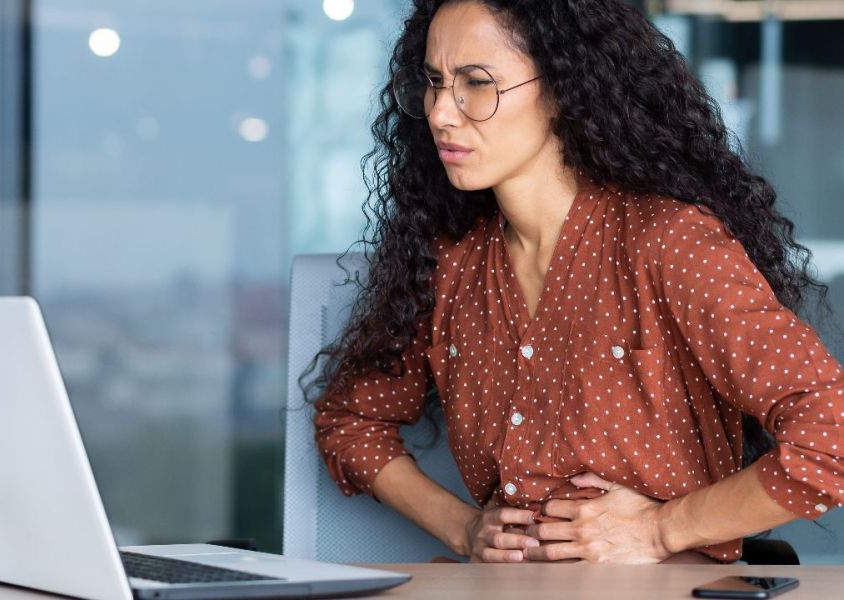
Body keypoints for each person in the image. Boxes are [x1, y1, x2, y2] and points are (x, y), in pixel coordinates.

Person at [308, 0, 843, 564]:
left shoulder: (668, 242)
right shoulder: (453, 264)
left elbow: (830, 434)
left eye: (477, 83)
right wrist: (461, 527)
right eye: (435, 83)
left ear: (563, 87)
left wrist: (663, 529)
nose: (442, 112)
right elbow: (350, 422)